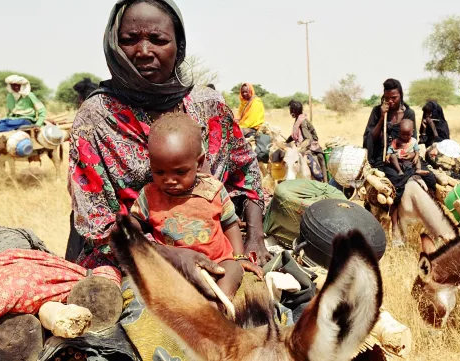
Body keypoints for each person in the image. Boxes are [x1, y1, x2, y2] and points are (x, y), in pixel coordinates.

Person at [67, 0, 270, 274]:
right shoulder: (95, 118)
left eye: (158, 40)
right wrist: (167, 255)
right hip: (133, 258)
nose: (143, 51)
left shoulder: (208, 105)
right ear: (114, 45)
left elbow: (246, 175)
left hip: (218, 247)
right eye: (129, 40)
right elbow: (96, 223)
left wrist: (255, 236)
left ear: (179, 46)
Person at [129, 113, 263, 300]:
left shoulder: (213, 190)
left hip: (218, 261)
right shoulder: (149, 195)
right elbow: (133, 222)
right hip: (175, 265)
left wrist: (239, 257)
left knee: (233, 271)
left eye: (180, 172)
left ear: (198, 163)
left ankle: (219, 305)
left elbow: (230, 224)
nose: (169, 180)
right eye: (159, 172)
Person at [362, 78, 416, 169]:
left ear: (401, 95)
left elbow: (413, 139)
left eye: (394, 98)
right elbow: (370, 138)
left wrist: (412, 154)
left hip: (402, 157)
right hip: (381, 158)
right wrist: (382, 118)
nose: (390, 101)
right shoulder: (377, 111)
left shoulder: (409, 113)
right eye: (387, 98)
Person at [286, 100, 326, 182]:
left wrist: (302, 149)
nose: (291, 113)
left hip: (311, 146)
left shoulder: (302, 121)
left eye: (292, 111)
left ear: (295, 111)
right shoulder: (298, 119)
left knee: (311, 160)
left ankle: (322, 180)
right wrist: (287, 141)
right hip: (302, 144)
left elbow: (308, 138)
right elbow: (295, 134)